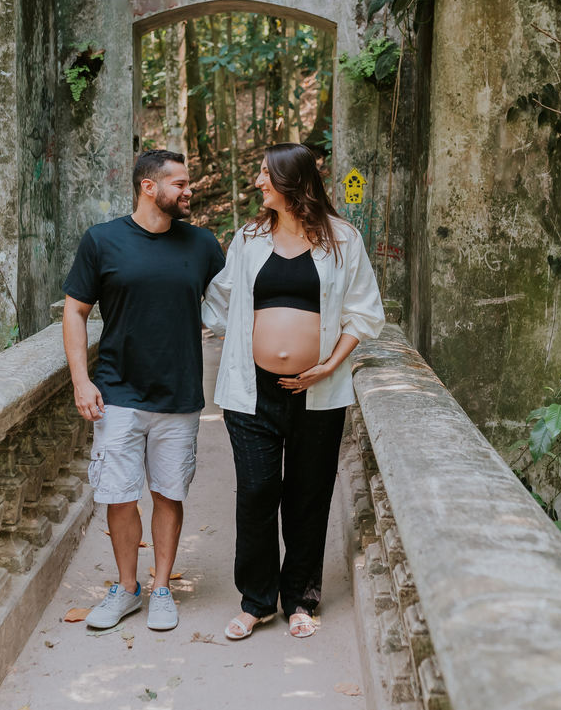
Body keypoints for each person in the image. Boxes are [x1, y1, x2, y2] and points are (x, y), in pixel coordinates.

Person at [202, 143, 384, 642]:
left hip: (319, 392)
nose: (257, 182)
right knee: (257, 493)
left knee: (307, 497)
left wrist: (326, 365)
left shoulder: (342, 239)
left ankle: (300, 599)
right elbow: (219, 301)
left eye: (265, 173)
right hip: (252, 391)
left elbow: (364, 311)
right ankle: (256, 601)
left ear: (291, 180)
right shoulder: (249, 237)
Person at [62, 149, 225, 633]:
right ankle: (127, 588)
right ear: (148, 187)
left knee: (169, 494)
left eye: (188, 182)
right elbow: (75, 311)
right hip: (116, 391)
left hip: (178, 393)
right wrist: (80, 379)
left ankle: (160, 590)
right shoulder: (102, 240)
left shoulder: (202, 245)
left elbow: (235, 304)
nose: (188, 190)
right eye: (179, 183)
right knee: (119, 494)